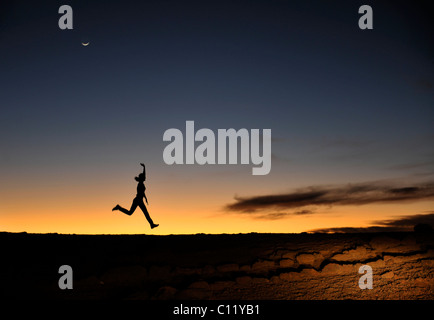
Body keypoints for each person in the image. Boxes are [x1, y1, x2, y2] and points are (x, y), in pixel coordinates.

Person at [112, 163, 159, 229]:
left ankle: (151, 224)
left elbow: (143, 191)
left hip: (139, 200)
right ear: (142, 178)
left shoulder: (141, 183)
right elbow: (141, 192)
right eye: (144, 177)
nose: (145, 178)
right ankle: (119, 207)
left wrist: (144, 167)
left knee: (131, 213)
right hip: (138, 200)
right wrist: (144, 198)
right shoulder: (140, 184)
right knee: (142, 213)